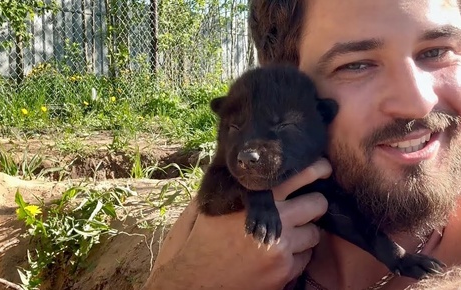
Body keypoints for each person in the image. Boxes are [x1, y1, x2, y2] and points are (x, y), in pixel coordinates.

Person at [140, 0, 461, 289]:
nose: (417, 102)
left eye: (437, 51)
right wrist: (193, 277)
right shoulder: (213, 230)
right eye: (355, 64)